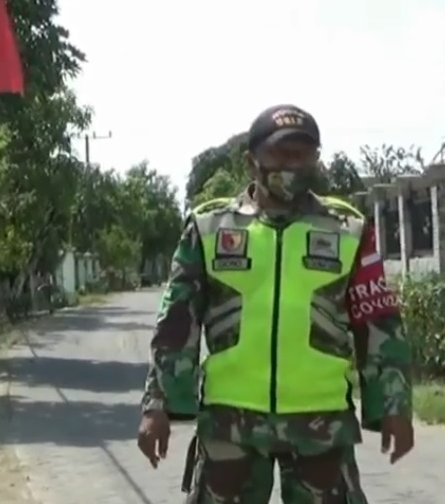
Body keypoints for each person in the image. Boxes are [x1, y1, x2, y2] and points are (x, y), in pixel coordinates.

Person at [137, 104, 414, 504]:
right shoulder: (210, 227)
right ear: (253, 161)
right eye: (282, 154)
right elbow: (177, 324)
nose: (293, 165)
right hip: (230, 422)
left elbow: (379, 323)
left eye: (304, 155)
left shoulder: (349, 230)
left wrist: (393, 404)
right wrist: (156, 406)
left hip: (321, 424)